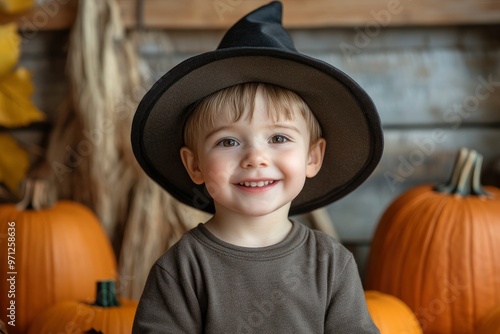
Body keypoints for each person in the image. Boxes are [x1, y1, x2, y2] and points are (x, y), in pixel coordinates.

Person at [130, 2, 383, 333]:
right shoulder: (182, 269)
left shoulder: (330, 264)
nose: (255, 158)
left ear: (312, 157)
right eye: (229, 142)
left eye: (278, 137)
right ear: (195, 166)